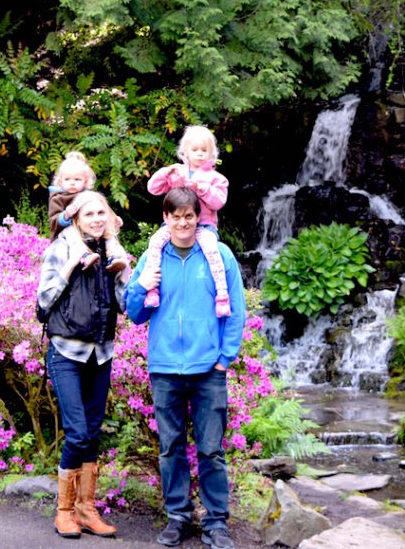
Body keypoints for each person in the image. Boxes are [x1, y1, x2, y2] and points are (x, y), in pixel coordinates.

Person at [125, 187, 247, 549]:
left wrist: (225, 359)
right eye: (175, 216)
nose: (182, 222)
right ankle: (177, 516)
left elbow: (236, 310)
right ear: (166, 218)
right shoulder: (153, 257)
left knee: (211, 449)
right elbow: (134, 314)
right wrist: (142, 286)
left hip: (208, 369)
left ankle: (216, 522)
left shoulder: (217, 255)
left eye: (189, 216)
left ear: (198, 217)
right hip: (165, 369)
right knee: (170, 447)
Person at [37, 190, 130, 540]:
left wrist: (123, 273)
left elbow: (124, 307)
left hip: (101, 354)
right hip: (66, 353)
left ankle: (86, 509)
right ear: (76, 217)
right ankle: (64, 510)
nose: (96, 219)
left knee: (92, 434)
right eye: (89, 213)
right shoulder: (61, 247)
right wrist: (71, 266)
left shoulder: (112, 250)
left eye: (101, 213)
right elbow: (44, 299)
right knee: (77, 432)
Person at [142, 126, 231, 317]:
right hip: (174, 227)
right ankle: (152, 290)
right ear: (185, 152)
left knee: (212, 250)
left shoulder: (216, 178)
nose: (199, 154)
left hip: (204, 226)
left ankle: (222, 295)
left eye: (204, 150)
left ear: (211, 153)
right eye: (195, 150)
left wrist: (201, 189)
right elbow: (153, 188)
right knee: (155, 242)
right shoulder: (176, 173)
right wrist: (165, 172)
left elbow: (219, 202)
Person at [47, 150, 128, 272]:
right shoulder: (58, 198)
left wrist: (114, 218)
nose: (72, 183)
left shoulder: (88, 195)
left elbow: (104, 208)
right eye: (67, 179)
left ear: (85, 182)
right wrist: (65, 215)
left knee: (109, 232)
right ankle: (84, 256)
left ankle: (114, 256)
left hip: (89, 231)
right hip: (68, 235)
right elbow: (53, 222)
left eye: (77, 179)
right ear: (60, 182)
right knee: (71, 232)